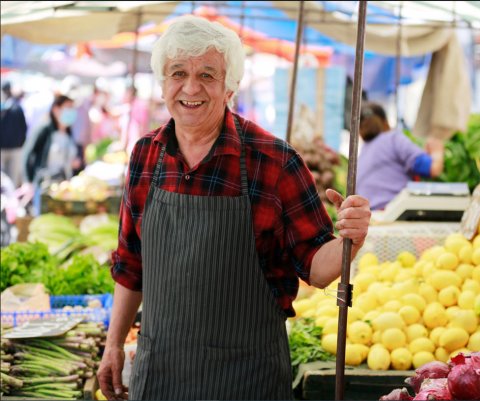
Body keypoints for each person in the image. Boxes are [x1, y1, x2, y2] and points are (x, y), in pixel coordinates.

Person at [97, 16, 370, 401]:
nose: (191, 88)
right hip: (159, 377)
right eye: (178, 73)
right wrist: (112, 346)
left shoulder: (274, 161)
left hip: (247, 381)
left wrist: (350, 242)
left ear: (229, 87)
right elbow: (130, 264)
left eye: (208, 75)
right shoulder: (145, 154)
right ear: (162, 84)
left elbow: (318, 269)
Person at [356, 102, 444, 210]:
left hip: (372, 218)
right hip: (395, 213)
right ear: (385, 122)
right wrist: (437, 152)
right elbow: (432, 168)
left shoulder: (360, 157)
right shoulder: (393, 138)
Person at [21, 94, 81, 213]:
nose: (71, 111)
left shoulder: (68, 132)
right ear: (56, 109)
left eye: (72, 107)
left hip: (63, 186)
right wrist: (27, 181)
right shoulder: (44, 129)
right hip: (45, 186)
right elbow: (27, 153)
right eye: (68, 107)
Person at [0, 81, 28, 187]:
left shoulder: (17, 108)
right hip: (7, 148)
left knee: (11, 181)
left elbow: (23, 127)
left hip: (14, 149)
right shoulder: (14, 107)